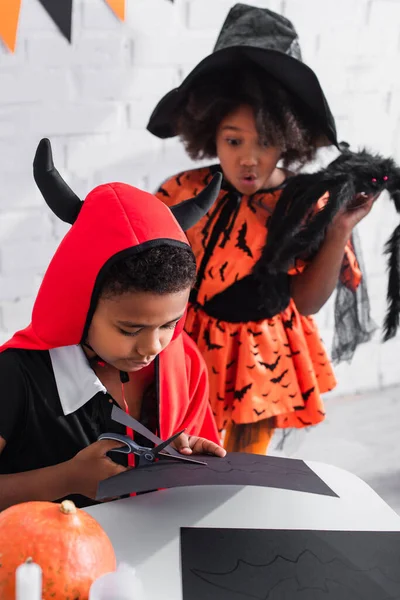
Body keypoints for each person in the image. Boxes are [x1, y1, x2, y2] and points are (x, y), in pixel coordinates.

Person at [147, 4, 376, 454]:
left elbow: (307, 301)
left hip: (263, 359)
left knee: (246, 469)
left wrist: (338, 229)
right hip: (189, 353)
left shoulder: (307, 205)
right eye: (234, 141)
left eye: (266, 142)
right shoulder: (180, 192)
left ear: (289, 140)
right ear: (210, 133)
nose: (248, 159)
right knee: (185, 457)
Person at [0, 138, 225, 511]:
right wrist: (65, 479)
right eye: (130, 330)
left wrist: (184, 458)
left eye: (170, 324)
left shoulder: (183, 364)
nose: (153, 347)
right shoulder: (13, 377)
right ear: (79, 306)